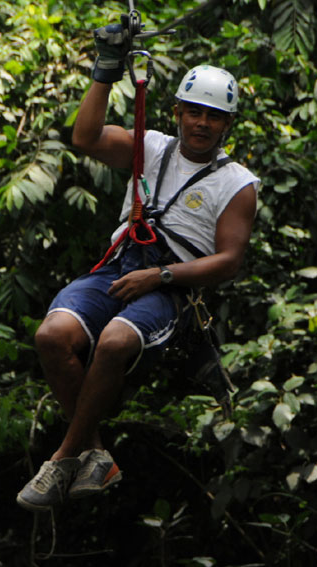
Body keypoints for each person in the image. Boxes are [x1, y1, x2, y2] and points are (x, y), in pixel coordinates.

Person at [16, 22, 260, 512]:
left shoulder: (236, 182)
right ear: (178, 112)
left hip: (172, 282)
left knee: (115, 341)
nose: (202, 124)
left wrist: (163, 277)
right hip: (121, 263)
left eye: (214, 117)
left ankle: (65, 455)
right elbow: (85, 137)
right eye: (194, 112)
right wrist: (105, 70)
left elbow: (230, 260)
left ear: (227, 125)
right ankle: (96, 453)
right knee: (50, 337)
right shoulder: (153, 147)